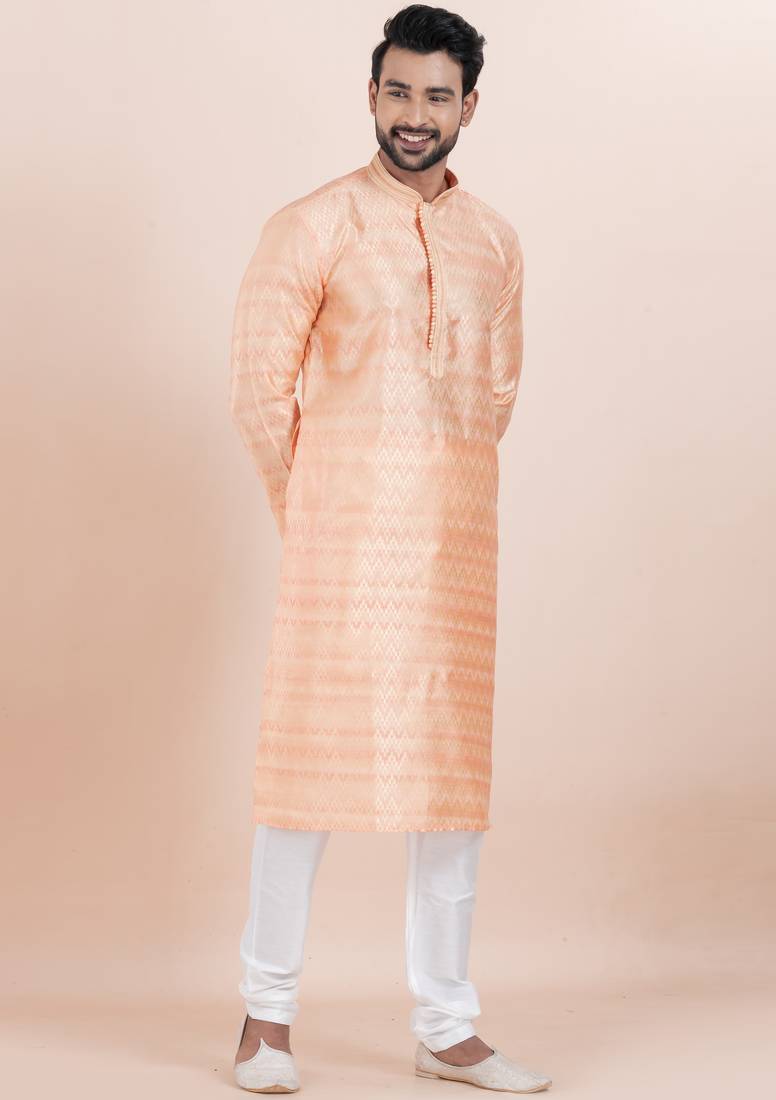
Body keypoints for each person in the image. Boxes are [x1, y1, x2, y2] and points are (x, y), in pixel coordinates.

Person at [228, 5, 552, 1093]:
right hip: (336, 546)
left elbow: (494, 394)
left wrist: (437, 492)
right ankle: (265, 1018)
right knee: (301, 783)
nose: (416, 115)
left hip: (455, 550)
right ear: (372, 96)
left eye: (437, 95)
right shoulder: (311, 225)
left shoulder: (494, 240)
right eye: (399, 91)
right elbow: (258, 393)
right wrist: (317, 513)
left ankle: (446, 1024)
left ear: (469, 107)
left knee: (449, 791)